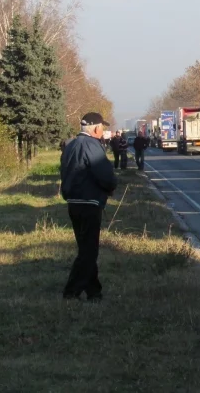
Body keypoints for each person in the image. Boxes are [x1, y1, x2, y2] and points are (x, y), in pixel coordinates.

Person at [60, 112, 117, 302]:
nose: (103, 131)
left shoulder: (71, 145)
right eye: (102, 127)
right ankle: (71, 291)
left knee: (85, 248)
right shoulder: (92, 145)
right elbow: (104, 173)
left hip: (73, 202)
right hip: (89, 202)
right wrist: (110, 187)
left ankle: (94, 292)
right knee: (89, 251)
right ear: (94, 128)